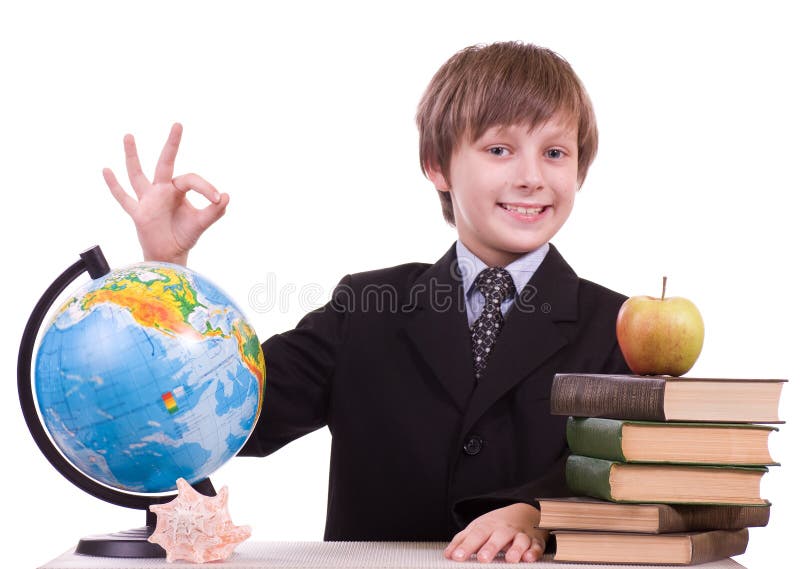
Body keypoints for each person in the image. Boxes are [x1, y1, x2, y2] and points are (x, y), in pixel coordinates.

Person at [103, 41, 630, 564]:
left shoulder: (618, 328)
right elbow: (225, 418)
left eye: (555, 153)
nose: (532, 177)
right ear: (437, 166)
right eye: (499, 149)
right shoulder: (363, 310)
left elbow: (641, 482)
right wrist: (167, 269)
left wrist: (540, 513)